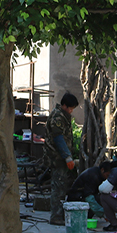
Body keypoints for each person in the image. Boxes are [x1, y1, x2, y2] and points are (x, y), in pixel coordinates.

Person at [43, 92, 82, 225]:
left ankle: (62, 213)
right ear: (64, 105)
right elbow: (58, 138)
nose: (71, 111)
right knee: (58, 186)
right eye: (70, 108)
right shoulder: (58, 117)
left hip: (61, 157)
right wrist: (67, 157)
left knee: (64, 184)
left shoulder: (63, 115)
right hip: (57, 157)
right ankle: (56, 216)